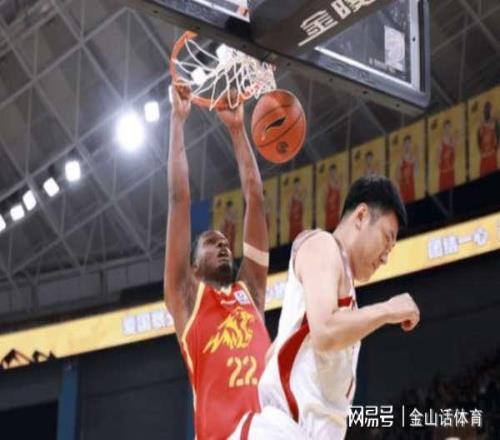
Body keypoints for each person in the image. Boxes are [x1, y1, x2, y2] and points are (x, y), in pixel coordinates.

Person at [231, 176, 420, 439]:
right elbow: (325, 331)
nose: (386, 257)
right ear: (361, 216)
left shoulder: (346, 293)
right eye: (386, 239)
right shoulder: (322, 244)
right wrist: (389, 309)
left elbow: (276, 352)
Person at [164, 86, 271, 439]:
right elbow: (179, 199)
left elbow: (255, 197)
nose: (224, 246)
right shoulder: (186, 298)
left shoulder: (251, 291)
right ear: (193, 267)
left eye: (225, 242)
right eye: (212, 243)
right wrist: (178, 121)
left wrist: (238, 130)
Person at [477, 101, 499, 177]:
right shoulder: (482, 124)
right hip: (484, 156)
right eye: (486, 109)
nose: (487, 110)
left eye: (488, 108)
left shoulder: (493, 120)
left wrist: (482, 122)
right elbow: (479, 137)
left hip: (491, 154)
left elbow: (492, 127)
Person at [396, 135, 418, 203]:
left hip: (411, 187)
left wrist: (415, 164)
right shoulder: (400, 159)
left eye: (409, 143)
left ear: (411, 144)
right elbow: (398, 177)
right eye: (406, 143)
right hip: (403, 188)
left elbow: (416, 174)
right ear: (404, 145)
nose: (407, 145)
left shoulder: (414, 158)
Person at [438, 119, 456, 192]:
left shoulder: (453, 140)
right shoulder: (441, 141)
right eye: (446, 128)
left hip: (450, 170)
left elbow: (454, 154)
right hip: (443, 171)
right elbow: (439, 157)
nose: (448, 130)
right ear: (444, 129)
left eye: (449, 127)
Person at [324, 164, 342, 231]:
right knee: (329, 230)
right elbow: (325, 198)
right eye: (331, 172)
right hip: (329, 212)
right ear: (329, 173)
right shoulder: (327, 183)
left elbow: (339, 193)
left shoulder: (339, 182)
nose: (333, 174)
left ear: (336, 172)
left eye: (334, 172)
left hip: (336, 212)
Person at [288, 177, 306, 242]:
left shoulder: (302, 196)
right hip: (293, 224)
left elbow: (303, 209)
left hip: (299, 223)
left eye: (298, 185)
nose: (297, 187)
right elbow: (288, 210)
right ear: (294, 186)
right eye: (295, 186)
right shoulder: (291, 197)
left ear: (300, 186)